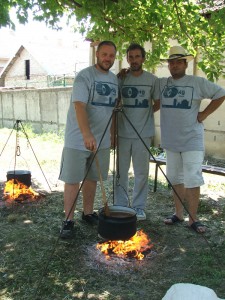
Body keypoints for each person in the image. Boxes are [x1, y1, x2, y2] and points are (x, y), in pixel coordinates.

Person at [158, 45, 225, 233]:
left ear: (185, 64)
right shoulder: (163, 84)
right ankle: (178, 214)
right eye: (172, 62)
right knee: (174, 178)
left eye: (179, 62)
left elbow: (220, 94)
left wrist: (203, 114)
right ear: (169, 65)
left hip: (192, 140)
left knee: (193, 178)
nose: (175, 65)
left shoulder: (196, 82)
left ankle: (193, 219)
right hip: (171, 141)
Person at [59, 41, 118, 238]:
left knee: (93, 177)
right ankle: (68, 220)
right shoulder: (84, 76)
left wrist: (111, 134)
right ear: (97, 55)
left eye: (111, 55)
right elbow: (79, 106)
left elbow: (112, 110)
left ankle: (88, 212)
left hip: (101, 141)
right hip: (78, 139)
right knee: (73, 179)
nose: (107, 58)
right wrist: (86, 134)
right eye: (104, 54)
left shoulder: (114, 80)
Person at [114, 43, 160, 220]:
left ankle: (139, 207)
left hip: (143, 133)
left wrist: (146, 113)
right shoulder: (121, 79)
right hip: (123, 132)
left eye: (137, 57)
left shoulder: (152, 80)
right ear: (127, 59)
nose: (134, 60)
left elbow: (158, 102)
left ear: (143, 58)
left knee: (141, 172)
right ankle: (120, 204)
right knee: (121, 172)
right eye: (130, 57)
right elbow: (116, 101)